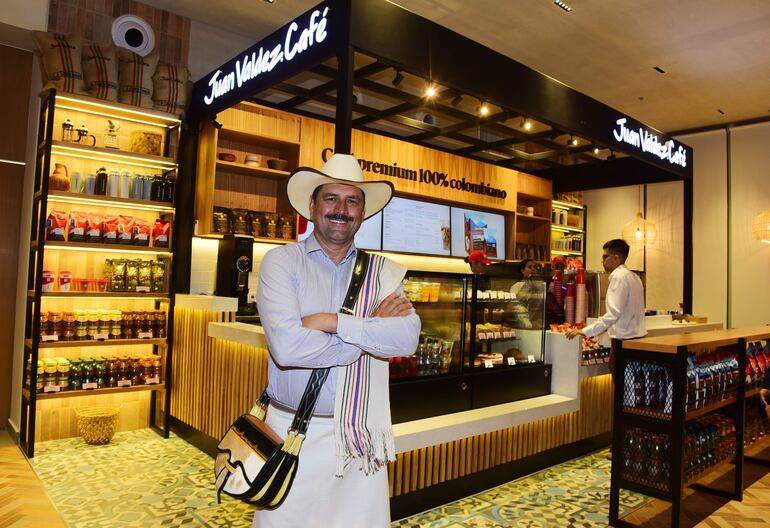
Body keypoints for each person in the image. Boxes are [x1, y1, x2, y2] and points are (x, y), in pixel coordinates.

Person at [255, 153, 421, 527]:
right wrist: (368, 334)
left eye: (352, 201)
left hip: (360, 436)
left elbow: (407, 337)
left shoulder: (382, 272)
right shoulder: (281, 262)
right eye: (331, 198)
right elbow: (287, 347)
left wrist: (330, 322)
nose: (341, 210)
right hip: (292, 431)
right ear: (312, 205)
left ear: (362, 212)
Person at [566, 238, 646, 368]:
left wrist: (585, 331)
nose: (602, 261)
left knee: (619, 378)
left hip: (623, 343)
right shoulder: (635, 277)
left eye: (605, 257)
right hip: (639, 341)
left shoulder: (619, 278)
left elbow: (613, 315)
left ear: (615, 258)